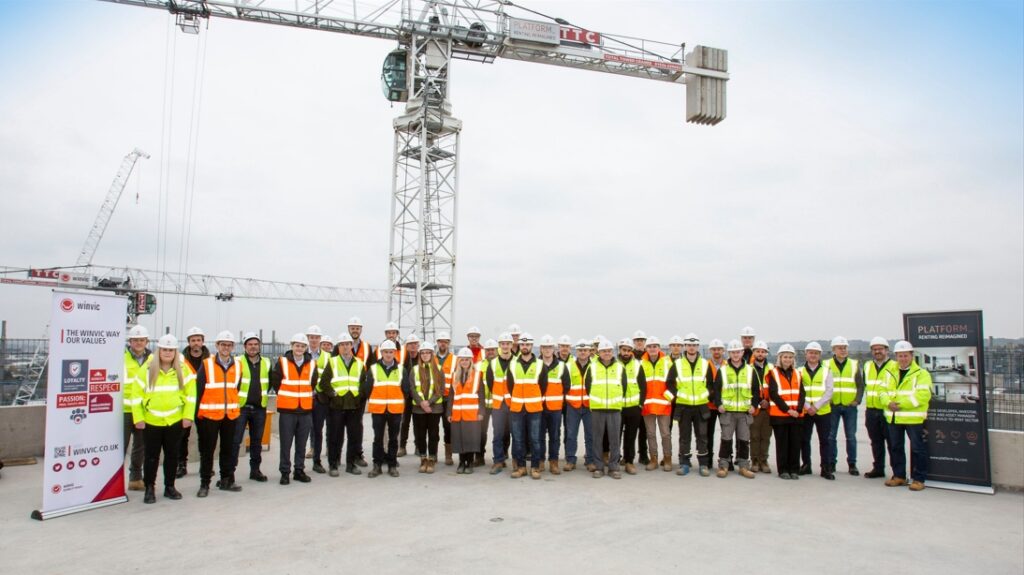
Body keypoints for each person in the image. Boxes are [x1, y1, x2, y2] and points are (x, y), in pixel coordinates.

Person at [131, 334, 196, 504]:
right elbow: (136, 396)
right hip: (151, 421)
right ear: (159, 350)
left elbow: (191, 395)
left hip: (174, 421)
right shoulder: (146, 370)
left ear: (175, 352)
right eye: (165, 349)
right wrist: (138, 418)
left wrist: (188, 416)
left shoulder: (182, 370)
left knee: (172, 456)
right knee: (151, 457)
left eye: (171, 350)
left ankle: (170, 486)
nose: (167, 353)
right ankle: (150, 488)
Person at [193, 331, 244, 497]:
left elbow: (236, 388)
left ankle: (226, 480)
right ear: (217, 346)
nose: (226, 348)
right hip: (210, 415)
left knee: (228, 449)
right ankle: (204, 483)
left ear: (233, 347)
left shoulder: (238, 365)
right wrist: (198, 415)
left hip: (230, 415)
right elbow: (199, 390)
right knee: (208, 451)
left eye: (229, 345)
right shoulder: (207, 364)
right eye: (223, 345)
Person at [882, 341, 933, 491]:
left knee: (918, 449)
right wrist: (887, 402)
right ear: (896, 356)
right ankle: (899, 476)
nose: (903, 358)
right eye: (900, 356)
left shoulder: (922, 374)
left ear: (912, 356)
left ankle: (919, 479)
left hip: (913, 418)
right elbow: (881, 391)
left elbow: (923, 395)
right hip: (894, 417)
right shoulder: (889, 372)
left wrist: (900, 404)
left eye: (905, 355)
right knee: (896, 447)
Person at [665, 333, 717, 476]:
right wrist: (678, 395)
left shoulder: (705, 364)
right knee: (684, 436)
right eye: (689, 345)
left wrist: (705, 395)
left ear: (697, 346)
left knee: (702, 436)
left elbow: (711, 385)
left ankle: (703, 464)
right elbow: (669, 383)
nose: (692, 348)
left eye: (694, 345)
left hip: (701, 406)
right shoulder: (677, 364)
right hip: (684, 407)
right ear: (685, 347)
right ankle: (684, 463)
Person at [270, 333, 317, 485]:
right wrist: (287, 397)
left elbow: (313, 383)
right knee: (286, 444)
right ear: (292, 346)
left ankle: (299, 470)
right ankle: (285, 472)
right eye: (297, 345)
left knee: (301, 444)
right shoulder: (282, 362)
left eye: (302, 346)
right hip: (287, 411)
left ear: (306, 348)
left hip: (304, 411)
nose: (299, 348)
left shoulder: (311, 364)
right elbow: (276, 381)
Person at [317, 333, 367, 476]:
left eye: (347, 344)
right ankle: (333, 465)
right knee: (335, 436)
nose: (345, 347)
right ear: (338, 347)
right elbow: (324, 383)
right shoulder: (332, 362)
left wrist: (359, 397)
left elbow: (364, 383)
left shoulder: (359, 363)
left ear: (352, 346)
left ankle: (350, 465)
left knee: (353, 436)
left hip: (354, 406)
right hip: (337, 407)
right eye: (342, 344)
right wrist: (333, 394)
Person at [362, 340, 406, 478]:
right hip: (378, 410)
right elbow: (367, 389)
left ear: (395, 353)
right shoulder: (373, 369)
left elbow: (406, 390)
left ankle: (392, 465)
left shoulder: (401, 369)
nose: (388, 354)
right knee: (378, 439)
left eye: (391, 352)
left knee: (393, 439)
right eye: (386, 352)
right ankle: (377, 465)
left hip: (395, 410)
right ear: (381, 353)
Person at [715, 340, 758, 479]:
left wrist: (754, 405)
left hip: (744, 412)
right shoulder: (723, 370)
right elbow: (716, 390)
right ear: (729, 354)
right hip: (728, 411)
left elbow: (756, 390)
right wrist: (718, 404)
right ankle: (723, 465)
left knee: (744, 440)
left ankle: (744, 466)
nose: (735, 355)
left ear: (742, 353)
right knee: (726, 439)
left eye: (738, 352)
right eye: (733, 352)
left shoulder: (750, 370)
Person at [232, 332, 271, 482]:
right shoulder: (237, 362)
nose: (253, 347)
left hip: (259, 408)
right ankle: (230, 472)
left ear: (259, 346)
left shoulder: (267, 362)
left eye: (256, 344)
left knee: (256, 441)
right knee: (235, 441)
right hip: (241, 408)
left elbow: (270, 383)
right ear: (245, 346)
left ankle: (255, 470)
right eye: (250, 344)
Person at [587, 340, 627, 479]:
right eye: (604, 351)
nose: (607, 353)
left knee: (615, 440)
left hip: (614, 409)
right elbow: (588, 387)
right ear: (599, 352)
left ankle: (613, 467)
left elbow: (624, 386)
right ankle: (598, 467)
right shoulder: (592, 367)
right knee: (597, 439)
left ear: (612, 352)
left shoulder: (620, 367)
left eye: (609, 350)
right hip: (597, 409)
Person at [766, 344, 805, 479]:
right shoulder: (773, 373)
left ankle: (794, 469)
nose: (787, 359)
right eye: (785, 357)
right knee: (782, 445)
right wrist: (788, 410)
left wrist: (798, 410)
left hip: (796, 416)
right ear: (780, 358)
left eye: (790, 357)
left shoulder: (798, 374)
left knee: (795, 444)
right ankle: (783, 470)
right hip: (780, 416)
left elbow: (802, 394)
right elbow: (774, 394)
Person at [508, 334, 544, 479]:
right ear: (520, 346)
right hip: (517, 407)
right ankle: (521, 467)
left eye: (528, 344)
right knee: (517, 439)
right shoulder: (512, 364)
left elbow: (544, 385)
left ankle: (535, 467)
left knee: (535, 439)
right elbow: (510, 385)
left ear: (531, 346)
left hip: (534, 408)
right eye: (522, 345)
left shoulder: (540, 364)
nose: (525, 347)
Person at [827, 336, 864, 476]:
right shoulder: (827, 364)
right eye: (839, 348)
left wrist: (857, 400)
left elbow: (860, 385)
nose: (843, 350)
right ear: (833, 350)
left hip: (850, 406)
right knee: (831, 436)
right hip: (833, 405)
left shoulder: (854, 364)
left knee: (851, 436)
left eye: (844, 348)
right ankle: (831, 463)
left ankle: (852, 464)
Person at [863, 337, 899, 479]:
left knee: (892, 442)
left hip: (887, 410)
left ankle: (897, 471)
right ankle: (878, 468)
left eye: (880, 349)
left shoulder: (894, 366)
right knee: (876, 442)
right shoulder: (867, 366)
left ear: (886, 350)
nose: (877, 351)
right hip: (871, 410)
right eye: (874, 349)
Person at [447, 348, 487, 473]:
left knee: (470, 439)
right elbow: (451, 397)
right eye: (462, 360)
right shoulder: (454, 376)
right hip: (457, 414)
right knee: (459, 439)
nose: (464, 362)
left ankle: (469, 463)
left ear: (471, 361)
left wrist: (481, 412)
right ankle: (461, 462)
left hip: (472, 414)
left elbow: (481, 395)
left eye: (467, 360)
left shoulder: (477, 375)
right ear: (459, 361)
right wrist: (449, 412)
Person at [798, 341, 835, 479]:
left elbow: (829, 391)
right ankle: (806, 465)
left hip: (823, 411)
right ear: (806, 354)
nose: (813, 355)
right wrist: (808, 406)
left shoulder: (826, 370)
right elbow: (799, 391)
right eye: (810, 353)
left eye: (816, 353)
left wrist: (816, 406)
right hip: (806, 411)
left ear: (820, 355)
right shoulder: (800, 371)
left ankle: (825, 468)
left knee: (825, 440)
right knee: (804, 439)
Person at [407, 341, 444, 473]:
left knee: (433, 434)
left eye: (428, 352)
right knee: (420, 435)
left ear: (432, 354)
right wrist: (422, 403)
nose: (425, 355)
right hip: (418, 408)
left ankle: (432, 459)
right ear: (420, 354)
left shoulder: (439, 369)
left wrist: (429, 402)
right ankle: (423, 458)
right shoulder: (415, 369)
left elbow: (440, 389)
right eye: (423, 353)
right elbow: (412, 389)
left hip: (435, 408)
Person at [176, 326, 209, 478]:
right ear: (189, 342)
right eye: (193, 340)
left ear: (203, 342)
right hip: (185, 403)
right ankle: (181, 464)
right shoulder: (180, 361)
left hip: (204, 402)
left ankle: (205, 465)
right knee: (182, 436)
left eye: (198, 340)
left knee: (205, 436)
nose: (196, 343)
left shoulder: (210, 361)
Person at [123, 325, 151, 491]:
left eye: (142, 340)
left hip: (143, 409)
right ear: (130, 341)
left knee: (140, 446)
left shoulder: (153, 359)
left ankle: (135, 478)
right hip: (125, 410)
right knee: (121, 445)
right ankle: (115, 479)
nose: (139, 343)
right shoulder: (120, 357)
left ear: (146, 341)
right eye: (135, 340)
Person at [640, 337, 673, 472]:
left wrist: (668, 398)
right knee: (651, 433)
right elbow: (638, 385)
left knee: (665, 433)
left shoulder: (667, 362)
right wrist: (641, 402)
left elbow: (675, 383)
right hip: (648, 405)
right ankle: (653, 459)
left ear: (659, 348)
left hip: (664, 405)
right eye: (650, 346)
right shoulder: (641, 364)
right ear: (646, 349)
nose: (652, 349)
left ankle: (667, 458)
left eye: (655, 346)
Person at [538, 335, 569, 476]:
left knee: (555, 436)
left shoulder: (562, 366)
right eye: (545, 347)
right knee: (539, 436)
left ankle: (554, 461)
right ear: (541, 349)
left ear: (553, 349)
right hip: (538, 407)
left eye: (550, 347)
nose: (547, 350)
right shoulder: (535, 365)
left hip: (556, 408)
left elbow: (566, 386)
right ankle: (539, 461)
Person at [563, 340, 596, 472]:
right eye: (580, 350)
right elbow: (565, 385)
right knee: (571, 434)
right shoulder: (569, 366)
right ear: (576, 352)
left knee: (590, 435)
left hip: (589, 405)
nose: (583, 352)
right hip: (573, 405)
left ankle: (590, 461)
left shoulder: (595, 366)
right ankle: (570, 460)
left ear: (589, 352)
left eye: (585, 350)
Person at [486, 332, 516, 474]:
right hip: (498, 405)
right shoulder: (492, 364)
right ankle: (498, 461)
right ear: (499, 346)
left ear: (511, 345)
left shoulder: (517, 362)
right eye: (502, 344)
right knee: (498, 434)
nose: (505, 346)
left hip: (513, 404)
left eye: (507, 343)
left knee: (516, 434)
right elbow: (491, 384)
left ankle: (516, 461)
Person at [617, 340, 646, 475]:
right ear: (620, 350)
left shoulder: (637, 365)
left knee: (631, 436)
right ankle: (616, 459)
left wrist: (640, 404)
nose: (626, 353)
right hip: (618, 406)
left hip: (634, 407)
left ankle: (629, 461)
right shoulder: (614, 365)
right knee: (615, 435)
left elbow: (643, 386)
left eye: (629, 350)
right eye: (624, 350)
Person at [305, 325, 330, 474]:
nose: (314, 340)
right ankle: (299, 464)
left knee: (318, 430)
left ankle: (317, 461)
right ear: (308, 338)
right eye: (311, 337)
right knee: (303, 430)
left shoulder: (327, 357)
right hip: (305, 398)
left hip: (320, 399)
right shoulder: (302, 354)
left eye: (316, 337)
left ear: (320, 339)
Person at [748, 340, 775, 473]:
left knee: (766, 436)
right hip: (755, 407)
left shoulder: (772, 369)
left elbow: (776, 388)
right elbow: (747, 389)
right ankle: (754, 460)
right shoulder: (748, 368)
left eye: (763, 351)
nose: (760, 353)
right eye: (758, 351)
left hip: (768, 407)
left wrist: (768, 401)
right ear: (753, 352)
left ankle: (763, 460)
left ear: (766, 353)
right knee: (754, 436)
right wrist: (757, 401)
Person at [397, 333, 420, 458]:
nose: (412, 346)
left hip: (418, 396)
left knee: (417, 422)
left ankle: (418, 446)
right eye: (410, 344)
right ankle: (402, 446)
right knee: (404, 422)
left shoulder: (422, 358)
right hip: (405, 396)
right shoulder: (403, 359)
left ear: (418, 345)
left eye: (415, 344)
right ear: (406, 346)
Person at [435, 331, 456, 466]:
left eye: (446, 341)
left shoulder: (455, 359)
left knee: (448, 428)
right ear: (437, 343)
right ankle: (434, 454)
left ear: (449, 343)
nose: (443, 343)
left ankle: (448, 455)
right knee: (433, 428)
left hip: (449, 398)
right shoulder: (431, 358)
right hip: (435, 399)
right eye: (440, 341)